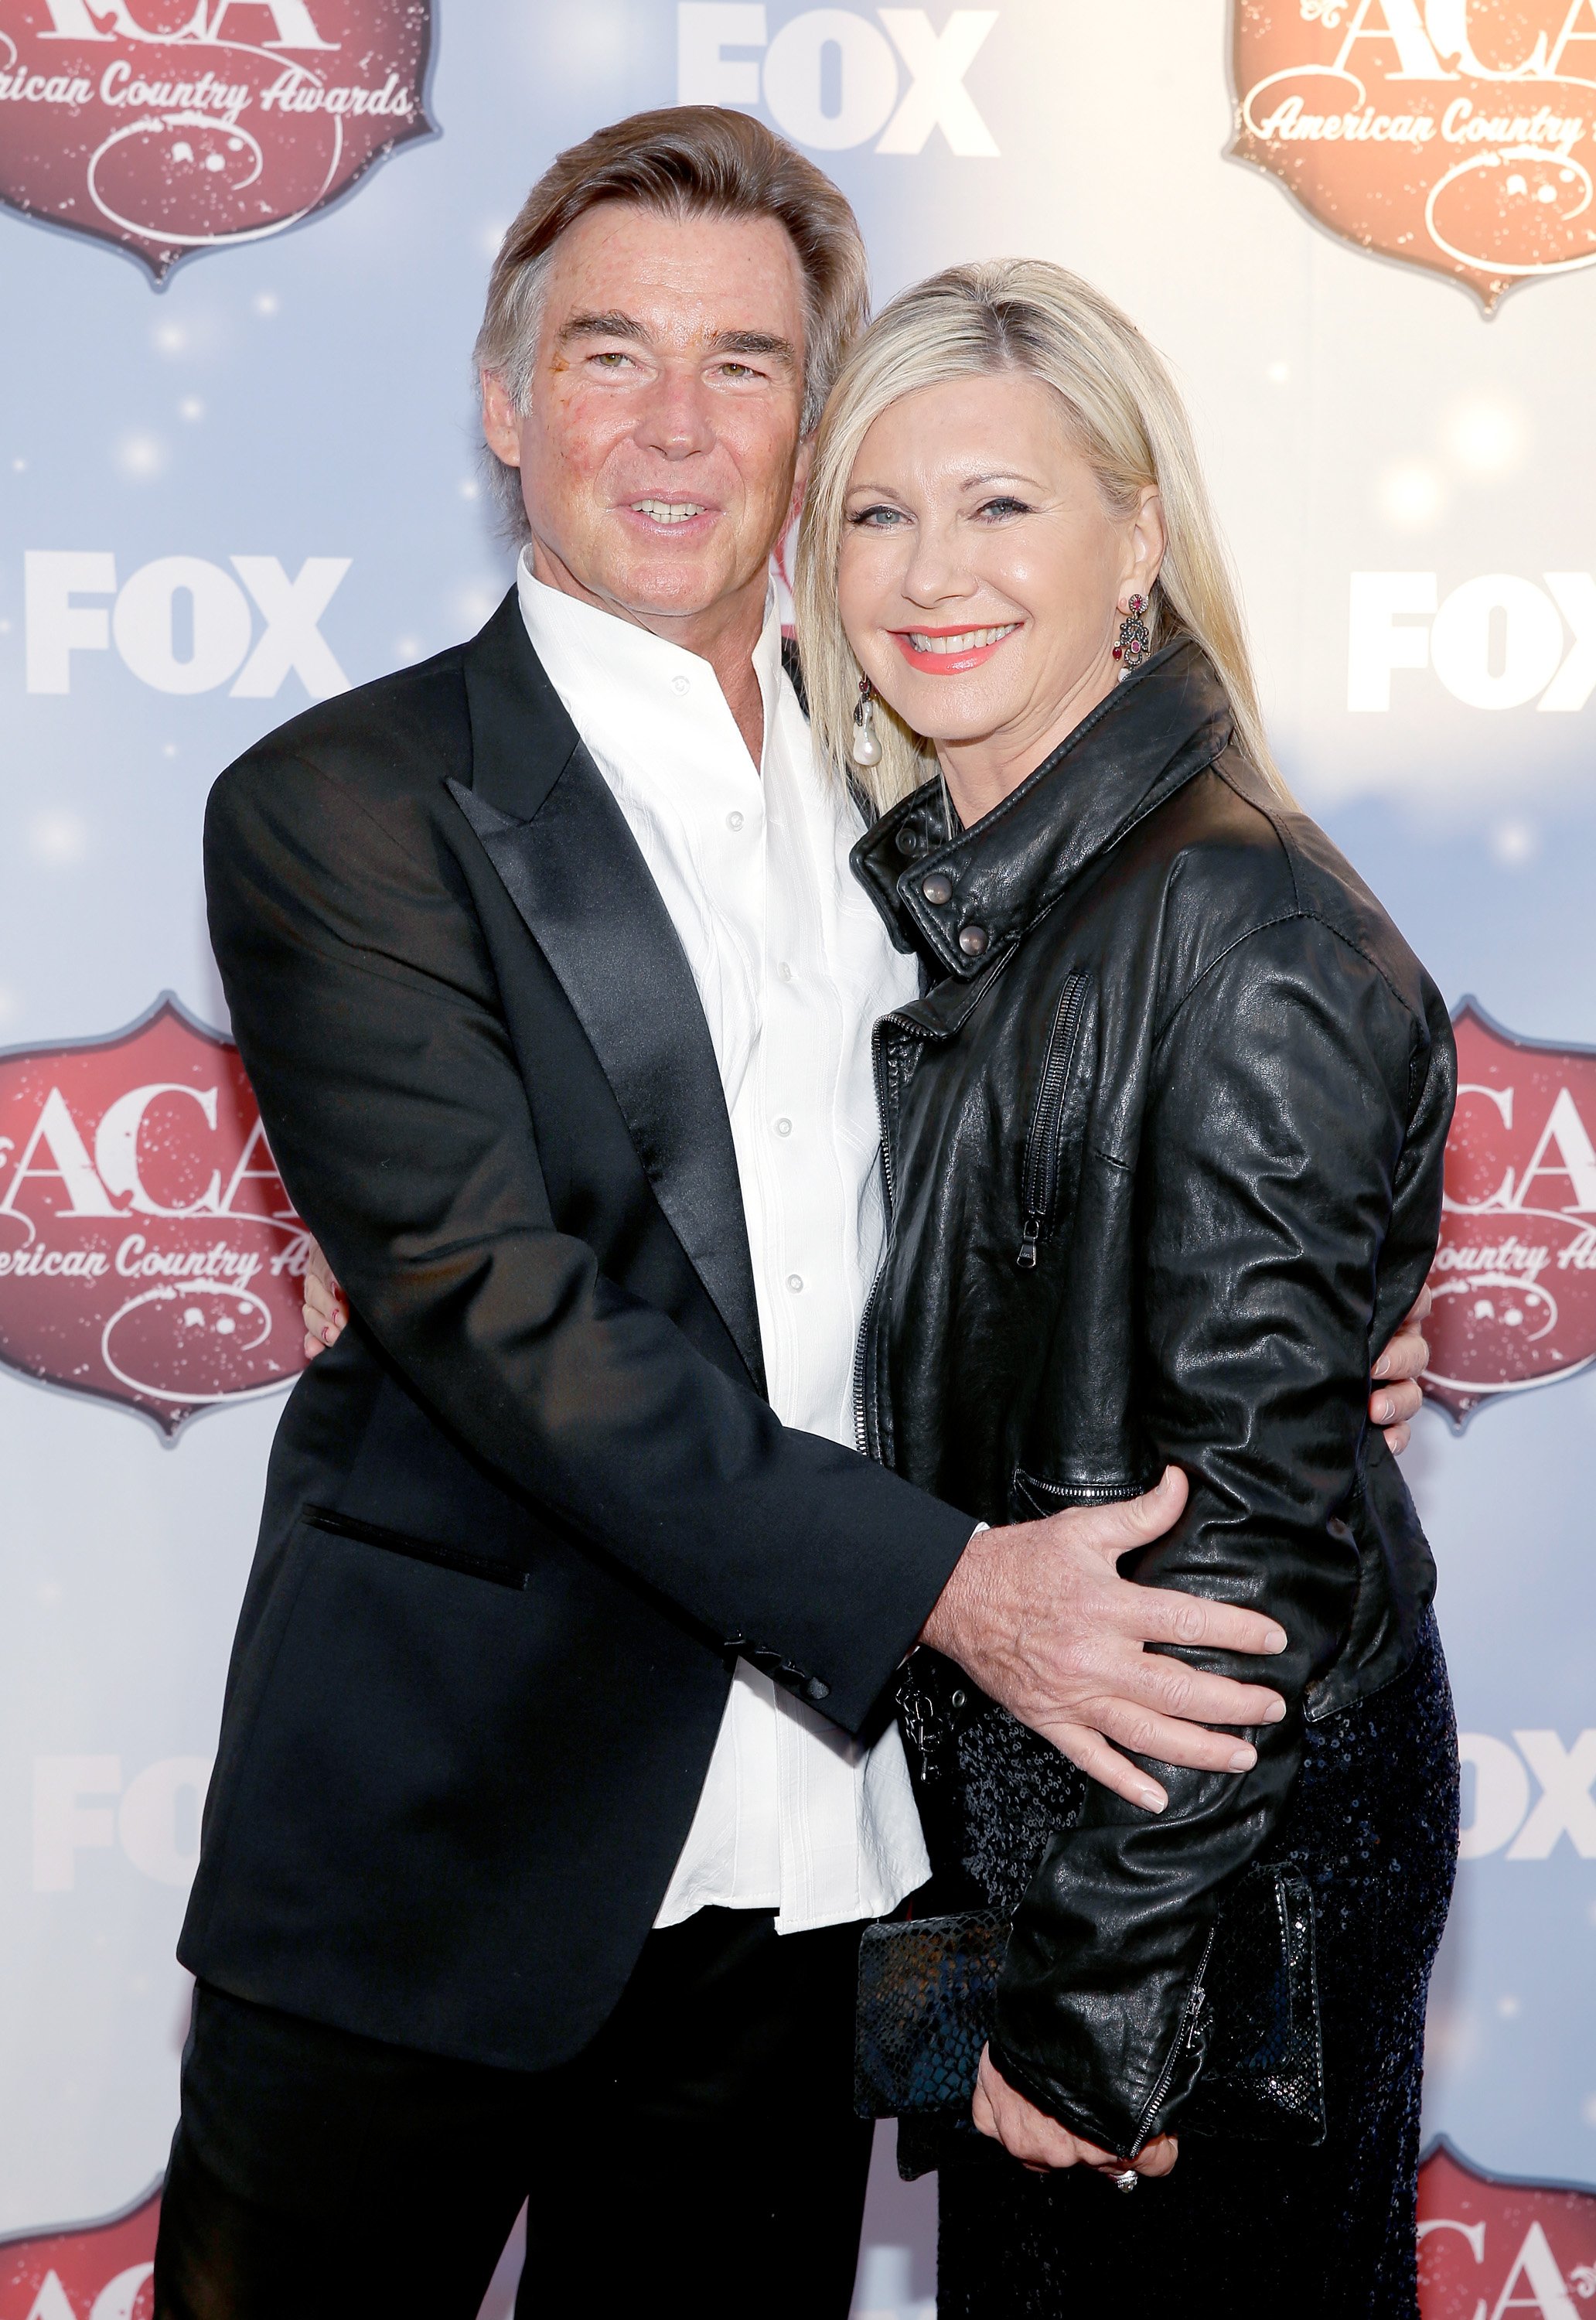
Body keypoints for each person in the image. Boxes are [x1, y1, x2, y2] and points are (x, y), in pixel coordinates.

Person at [161, 107, 1431, 2320]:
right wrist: (952, 1589)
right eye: (608, 354)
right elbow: (506, 1319)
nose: (673, 426)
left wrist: (1276, 1353)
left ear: (809, 419)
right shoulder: (341, 807)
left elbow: (1074, 1185)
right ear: (501, 402)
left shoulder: (932, 799)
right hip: (441, 1867)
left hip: (837, 1877)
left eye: (746, 366)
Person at [786, 257, 1458, 2314]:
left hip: (1193, 1862)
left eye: (1004, 504)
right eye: (879, 514)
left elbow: (1237, 1569)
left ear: (1139, 542)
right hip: (1058, 1814)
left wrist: (1091, 2023)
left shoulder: (1232, 932)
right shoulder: (982, 905)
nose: (931, 573)